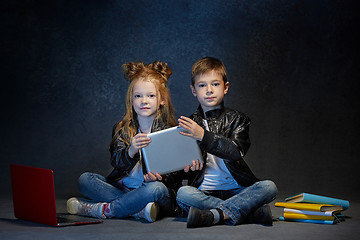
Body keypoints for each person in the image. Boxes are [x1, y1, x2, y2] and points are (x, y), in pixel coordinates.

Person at [66, 60, 200, 222]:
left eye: (150, 96)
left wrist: (158, 177)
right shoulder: (122, 129)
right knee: (85, 179)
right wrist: (131, 150)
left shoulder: (170, 131)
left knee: (155, 188)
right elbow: (117, 163)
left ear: (161, 100)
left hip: (151, 191)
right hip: (124, 188)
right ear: (131, 100)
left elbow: (175, 176)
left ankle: (107, 209)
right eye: (138, 96)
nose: (144, 101)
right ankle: (137, 210)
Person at [176, 57, 278, 228]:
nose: (209, 90)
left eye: (215, 84)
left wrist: (203, 135)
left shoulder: (238, 119)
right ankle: (248, 211)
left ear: (226, 87)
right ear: (193, 90)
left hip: (238, 188)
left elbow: (235, 151)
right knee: (183, 193)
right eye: (202, 85)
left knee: (269, 187)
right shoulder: (187, 124)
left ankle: (214, 215)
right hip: (204, 191)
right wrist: (186, 169)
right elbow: (182, 169)